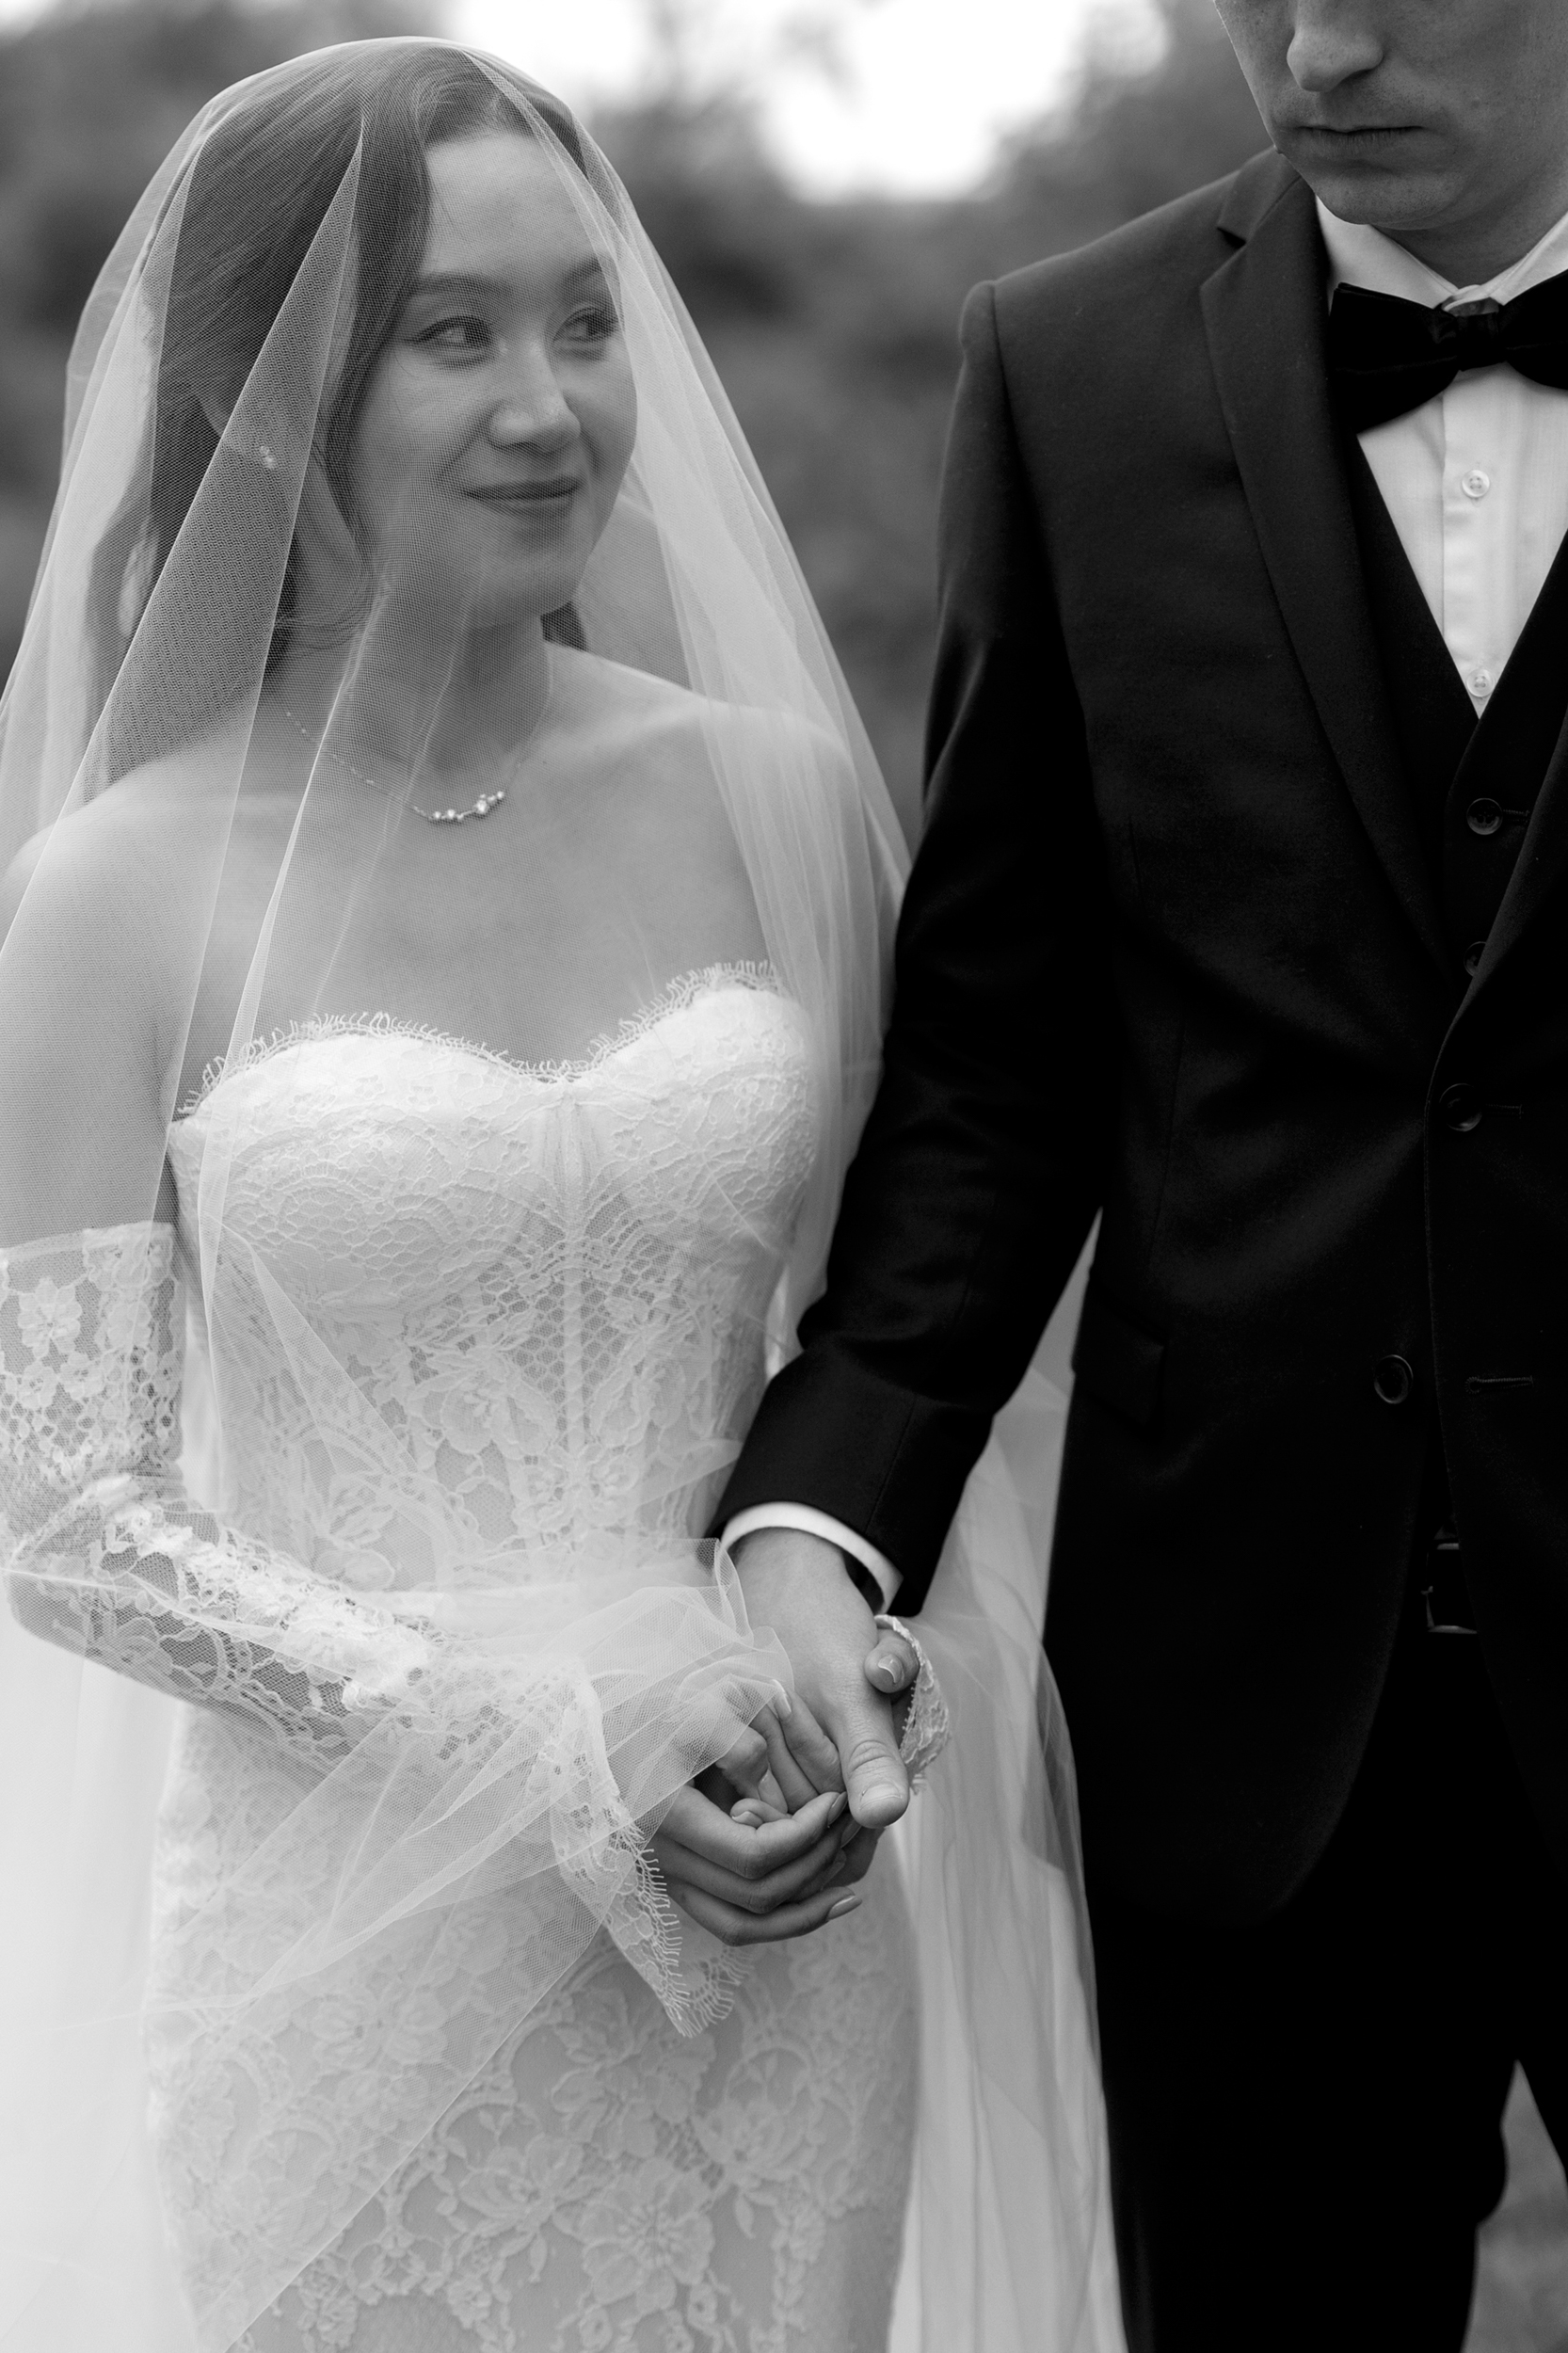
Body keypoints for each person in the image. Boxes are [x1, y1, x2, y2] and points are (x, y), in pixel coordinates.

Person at [0, 40, 1116, 2353]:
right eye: (454, 332)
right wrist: (539, 1732)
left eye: (586, 321)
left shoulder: (775, 796)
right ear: (267, 399)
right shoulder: (112, 894)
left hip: (772, 1918)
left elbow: (907, 1333)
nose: (552, 406)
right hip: (347, 1953)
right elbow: (56, 1510)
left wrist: (850, 1655)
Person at [715, 0, 1568, 2343]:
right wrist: (824, 1497)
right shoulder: (1065, 367)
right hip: (1241, 1702)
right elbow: (1003, 1053)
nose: (1315, 50)